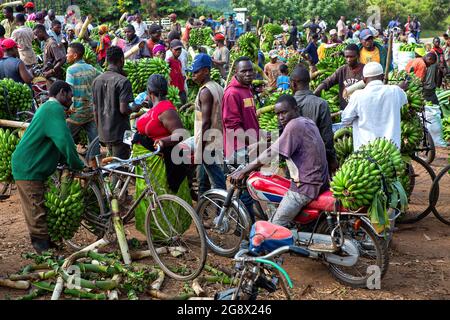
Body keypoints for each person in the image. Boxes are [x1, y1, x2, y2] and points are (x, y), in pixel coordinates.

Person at [229, 94, 329, 227]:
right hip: (321, 181)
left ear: (295, 108)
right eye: (278, 114)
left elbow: (271, 153)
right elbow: (281, 142)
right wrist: (261, 144)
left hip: (306, 187)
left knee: (273, 227)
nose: (280, 117)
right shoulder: (306, 121)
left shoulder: (294, 125)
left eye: (284, 112)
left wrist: (244, 170)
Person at [11, 81, 84, 253]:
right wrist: (76, 164)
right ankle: (43, 252)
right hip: (29, 167)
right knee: (35, 209)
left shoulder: (48, 108)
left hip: (31, 165)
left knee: (40, 206)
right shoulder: (53, 109)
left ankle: (47, 244)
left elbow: (54, 140)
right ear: (61, 92)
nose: (71, 100)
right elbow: (64, 140)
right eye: (70, 95)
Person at [222, 56, 259, 221]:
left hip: (249, 147)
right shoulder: (232, 93)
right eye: (244, 71)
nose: (248, 74)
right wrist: (253, 143)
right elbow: (232, 126)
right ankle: (245, 229)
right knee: (245, 192)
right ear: (236, 72)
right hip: (239, 148)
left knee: (249, 188)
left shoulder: (246, 89)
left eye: (250, 70)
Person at [341, 62, 407, 151]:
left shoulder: (358, 96)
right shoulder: (395, 91)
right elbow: (404, 99)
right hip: (392, 150)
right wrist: (398, 87)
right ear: (383, 76)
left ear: (363, 79)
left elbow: (345, 119)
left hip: (366, 151)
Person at [189, 53, 226, 195]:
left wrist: (200, 149)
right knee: (203, 179)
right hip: (215, 138)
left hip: (207, 141)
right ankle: (201, 207)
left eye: (196, 72)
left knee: (217, 179)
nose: (193, 75)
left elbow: (205, 122)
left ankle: (223, 212)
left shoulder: (205, 92)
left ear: (206, 71)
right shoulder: (216, 87)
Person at [92, 46, 137, 160]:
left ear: (106, 60)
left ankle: (113, 177)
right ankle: (116, 178)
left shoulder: (97, 81)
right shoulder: (123, 81)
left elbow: (95, 109)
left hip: (103, 132)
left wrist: (99, 131)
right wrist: (136, 108)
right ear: (122, 59)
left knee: (112, 162)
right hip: (121, 133)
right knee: (121, 165)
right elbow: (124, 109)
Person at [290, 66, 337, 173]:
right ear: (309, 82)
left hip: (294, 162)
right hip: (317, 162)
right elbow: (327, 137)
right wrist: (332, 159)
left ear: (293, 84)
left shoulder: (285, 106)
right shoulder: (321, 104)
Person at [65, 42, 101, 166]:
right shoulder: (91, 68)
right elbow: (101, 78)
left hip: (76, 113)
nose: (66, 55)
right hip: (90, 111)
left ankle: (69, 163)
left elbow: (68, 92)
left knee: (65, 138)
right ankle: (94, 164)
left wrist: (65, 110)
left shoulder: (71, 70)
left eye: (68, 52)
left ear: (75, 55)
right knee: (94, 139)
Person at [314, 44, 364, 110]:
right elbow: (328, 82)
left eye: (351, 57)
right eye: (346, 57)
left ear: (358, 56)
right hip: (345, 110)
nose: (348, 59)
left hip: (361, 109)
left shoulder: (365, 70)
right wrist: (315, 93)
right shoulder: (342, 70)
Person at [167, 39, 187, 105]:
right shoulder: (169, 61)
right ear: (171, 49)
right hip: (173, 89)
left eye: (180, 49)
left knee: (183, 102)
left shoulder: (179, 61)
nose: (178, 51)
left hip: (181, 88)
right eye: (176, 49)